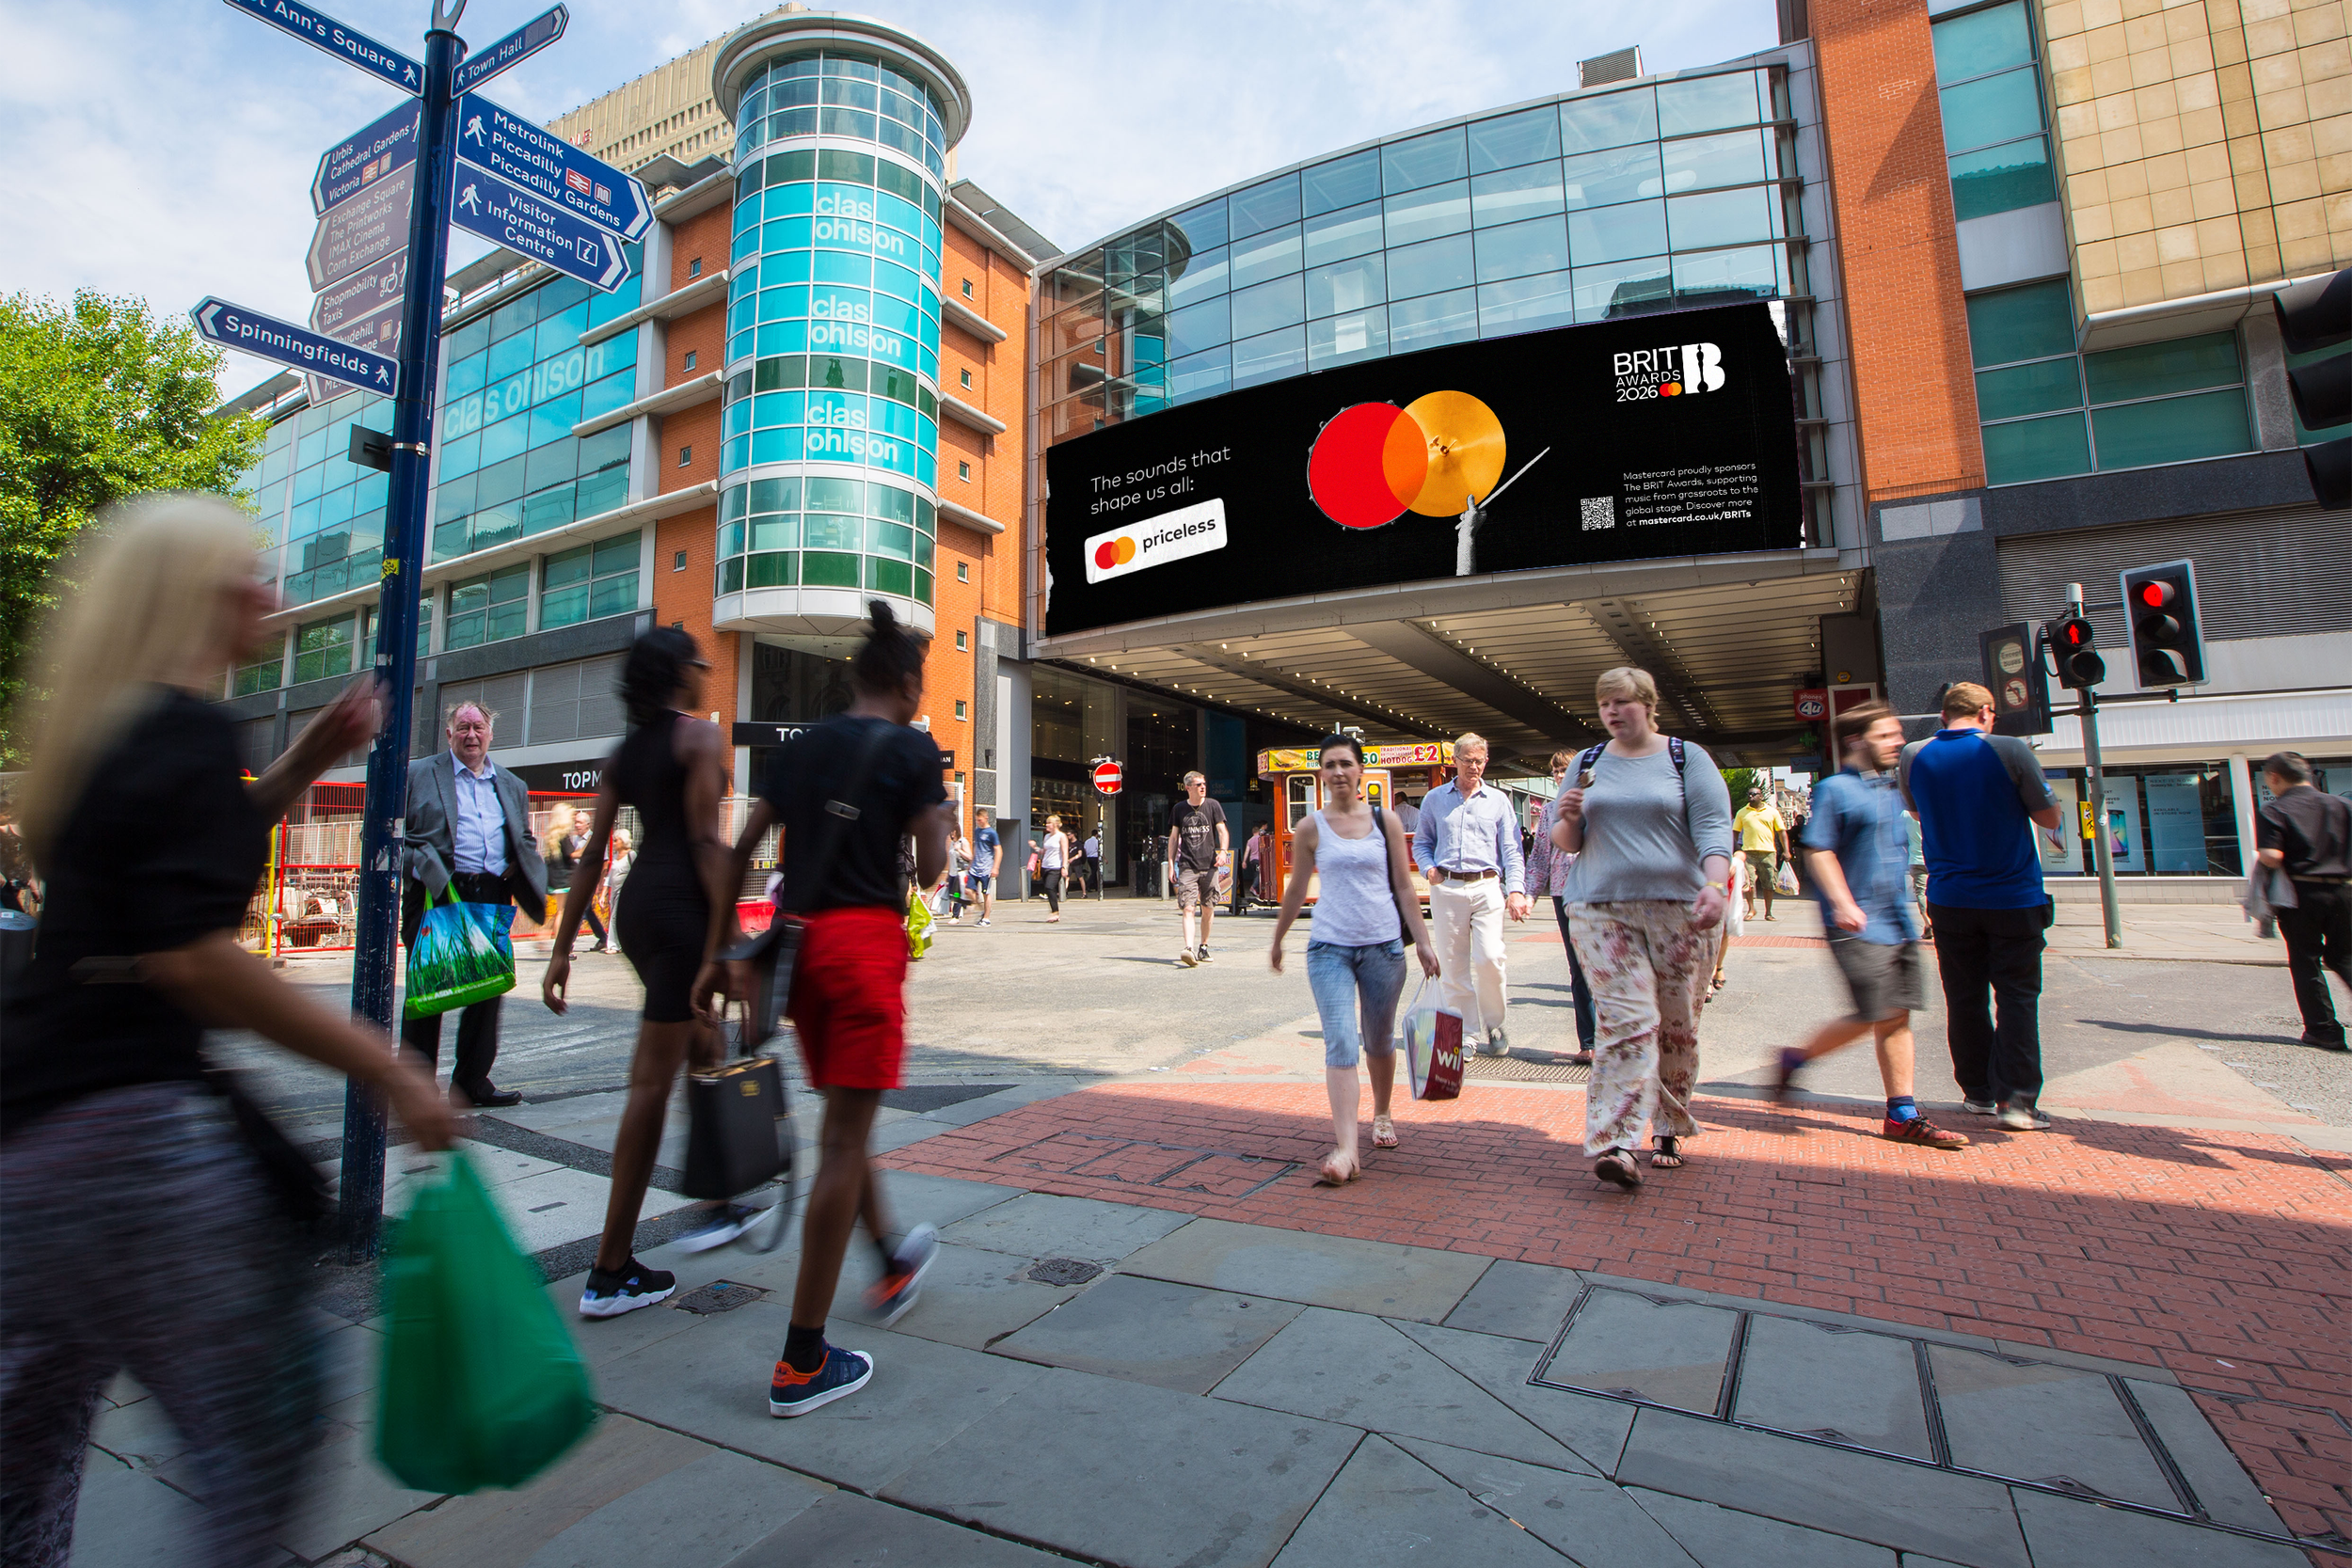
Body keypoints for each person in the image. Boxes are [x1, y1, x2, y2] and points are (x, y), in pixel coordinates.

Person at [0, 496, 453, 1566]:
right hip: (145, 1148)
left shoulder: (103, 736)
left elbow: (167, 866)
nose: (273, 592)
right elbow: (189, 950)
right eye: (250, 572)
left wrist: (302, 761)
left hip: (33, 1140)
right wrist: (388, 1065)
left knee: (30, 1447)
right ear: (196, 596)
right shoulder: (194, 728)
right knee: (265, 1444)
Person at [699, 601, 949, 1418]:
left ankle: (889, 1259)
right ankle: (802, 1357)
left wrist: (720, 950)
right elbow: (933, 861)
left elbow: (742, 848)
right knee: (844, 1138)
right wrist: (931, 823)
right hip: (864, 949)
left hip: (797, 951)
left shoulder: (801, 747)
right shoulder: (913, 749)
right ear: (908, 684)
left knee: (848, 1121)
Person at [544, 628, 751, 1316]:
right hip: (681, 913)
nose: (708, 668)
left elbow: (592, 852)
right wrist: (729, 944)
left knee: (705, 1046)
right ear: (677, 673)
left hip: (638, 913)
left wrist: (563, 947)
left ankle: (722, 1197)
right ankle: (609, 1269)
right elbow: (705, 844)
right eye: (700, 661)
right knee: (650, 1084)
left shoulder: (622, 753)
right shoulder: (699, 737)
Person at [1552, 668, 1733, 1191]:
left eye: (1623, 703)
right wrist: (1566, 816)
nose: (1612, 712)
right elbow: (1568, 842)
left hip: (1682, 909)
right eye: (1605, 703)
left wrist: (1716, 886)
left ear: (1649, 706)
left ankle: (1670, 1125)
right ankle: (1618, 1141)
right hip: (1600, 907)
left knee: (1677, 1024)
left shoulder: (1686, 758)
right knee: (1627, 1020)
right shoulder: (1588, 763)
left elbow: (1714, 828)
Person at [1772, 705, 1969, 1149]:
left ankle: (1902, 1113)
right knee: (1874, 1013)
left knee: (1897, 1015)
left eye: (1897, 734)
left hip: (1896, 919)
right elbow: (1818, 850)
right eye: (1886, 735)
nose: (1897, 742)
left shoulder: (1891, 788)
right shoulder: (1834, 790)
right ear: (1857, 740)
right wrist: (1842, 902)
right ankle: (1794, 1059)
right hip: (1855, 923)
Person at [1270, 736, 1440, 1184]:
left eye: (1346, 763)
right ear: (1321, 774)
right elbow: (1296, 888)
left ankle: (1381, 1113)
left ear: (1361, 771)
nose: (1339, 771)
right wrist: (1279, 937)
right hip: (1329, 948)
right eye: (1330, 765)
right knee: (1341, 1040)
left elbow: (1405, 887)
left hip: (1384, 948)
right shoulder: (1310, 827)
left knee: (1379, 1039)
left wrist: (1422, 941)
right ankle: (1346, 1148)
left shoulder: (1384, 821)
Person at [1899, 680, 2063, 1132]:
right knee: (2016, 997)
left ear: (1945, 715)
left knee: (1964, 997)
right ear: (1987, 712)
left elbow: (1916, 813)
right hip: (2013, 896)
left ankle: (1978, 1092)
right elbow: (2048, 817)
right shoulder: (2009, 749)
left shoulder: (1913, 756)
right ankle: (2019, 1102)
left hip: (1950, 897)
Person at [400, 700, 550, 1107]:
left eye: (478, 728)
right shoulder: (418, 774)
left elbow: (524, 838)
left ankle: (470, 1083)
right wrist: (422, 866)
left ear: (490, 733)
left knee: (487, 992)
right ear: (449, 734)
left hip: (490, 895)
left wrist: (521, 871)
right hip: (437, 894)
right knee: (429, 991)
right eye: (463, 728)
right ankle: (415, 1091)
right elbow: (392, 838)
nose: (471, 735)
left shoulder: (512, 785)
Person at [1412, 733, 1530, 1053]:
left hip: (1487, 885)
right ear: (1455, 761)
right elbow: (1422, 842)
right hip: (1447, 887)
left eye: (1480, 761)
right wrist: (1428, 869)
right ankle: (1466, 1032)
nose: (1474, 767)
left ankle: (1495, 1021)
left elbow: (1512, 849)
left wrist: (1516, 889)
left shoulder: (1499, 801)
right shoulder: (1435, 799)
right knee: (1453, 966)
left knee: (1491, 958)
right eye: (1468, 761)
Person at [2256, 751, 2352, 1050]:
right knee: (2345, 957)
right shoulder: (2343, 805)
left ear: (2274, 777)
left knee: (2306, 960)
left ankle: (2325, 1031)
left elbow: (2272, 857)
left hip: (2302, 894)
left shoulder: (2275, 810)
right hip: (2344, 891)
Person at [1525, 749, 1597, 1065]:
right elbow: (1540, 854)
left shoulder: (1595, 805)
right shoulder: (1550, 810)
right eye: (1554, 771)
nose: (1558, 775)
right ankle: (1589, 1042)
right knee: (1578, 967)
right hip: (1563, 892)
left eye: (1563, 769)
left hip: (1596, 891)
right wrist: (1528, 893)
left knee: (1606, 964)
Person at [1167, 770, 1230, 966]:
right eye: (1198, 784)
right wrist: (1170, 863)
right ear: (1188, 788)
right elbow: (1174, 838)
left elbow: (1222, 831)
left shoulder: (1213, 806)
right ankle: (1188, 948)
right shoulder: (1179, 809)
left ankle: (1203, 946)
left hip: (1209, 865)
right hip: (1187, 865)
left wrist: (1223, 851)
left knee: (1208, 907)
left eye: (1204, 784)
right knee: (1188, 907)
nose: (1203, 787)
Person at [552, 808, 608, 952]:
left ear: (587, 824)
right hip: (575, 880)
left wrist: (599, 883)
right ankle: (603, 937)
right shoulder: (574, 839)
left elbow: (604, 863)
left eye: (580, 823)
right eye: (576, 822)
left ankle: (568, 943)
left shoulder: (595, 840)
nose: (576, 825)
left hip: (588, 880)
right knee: (587, 911)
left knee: (579, 910)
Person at [1734, 784, 1791, 922]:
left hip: (1768, 852)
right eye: (1749, 794)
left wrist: (1787, 850)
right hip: (1748, 852)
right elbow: (1734, 832)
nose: (1751, 797)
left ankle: (1768, 912)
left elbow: (1781, 832)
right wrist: (1735, 850)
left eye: (1754, 794)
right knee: (1748, 883)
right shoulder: (1742, 812)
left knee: (1769, 883)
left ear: (1761, 796)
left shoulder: (1772, 812)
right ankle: (1751, 909)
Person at [602, 828, 635, 956]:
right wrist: (604, 892)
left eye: (616, 840)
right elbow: (610, 876)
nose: (614, 843)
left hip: (625, 892)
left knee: (615, 917)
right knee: (618, 918)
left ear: (623, 841)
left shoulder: (631, 854)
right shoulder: (616, 857)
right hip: (614, 893)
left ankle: (613, 945)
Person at [1037, 814, 1073, 922]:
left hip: (1056, 866)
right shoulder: (1047, 836)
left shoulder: (1061, 836)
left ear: (1056, 824)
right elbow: (1045, 851)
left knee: (1049, 887)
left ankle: (1055, 912)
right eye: (1046, 823)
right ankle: (1054, 911)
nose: (1046, 825)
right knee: (1048, 889)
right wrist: (1035, 847)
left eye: (1049, 823)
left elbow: (1065, 852)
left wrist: (1064, 867)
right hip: (1045, 865)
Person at [969, 809, 1001, 927]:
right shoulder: (977, 831)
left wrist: (995, 867)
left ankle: (986, 918)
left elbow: (998, 849)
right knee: (968, 890)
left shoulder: (992, 833)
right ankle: (981, 909)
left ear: (986, 818)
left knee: (986, 893)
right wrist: (971, 862)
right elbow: (976, 847)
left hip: (986, 868)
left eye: (980, 820)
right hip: (975, 867)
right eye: (977, 820)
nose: (978, 822)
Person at [945, 824, 972, 923]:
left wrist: (959, 850)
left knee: (957, 895)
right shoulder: (953, 843)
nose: (951, 834)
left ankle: (955, 916)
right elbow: (951, 860)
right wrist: (948, 874)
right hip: (952, 872)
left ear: (957, 831)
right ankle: (965, 905)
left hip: (960, 872)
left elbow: (970, 856)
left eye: (953, 831)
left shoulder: (963, 842)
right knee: (953, 894)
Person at [1081, 827, 1103, 900]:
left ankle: (1096, 886)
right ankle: (1088, 885)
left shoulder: (1087, 841)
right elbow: (1099, 850)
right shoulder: (1096, 841)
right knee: (1094, 872)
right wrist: (1104, 858)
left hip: (1089, 857)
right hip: (1095, 857)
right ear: (1096, 835)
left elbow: (1085, 850)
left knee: (1094, 871)